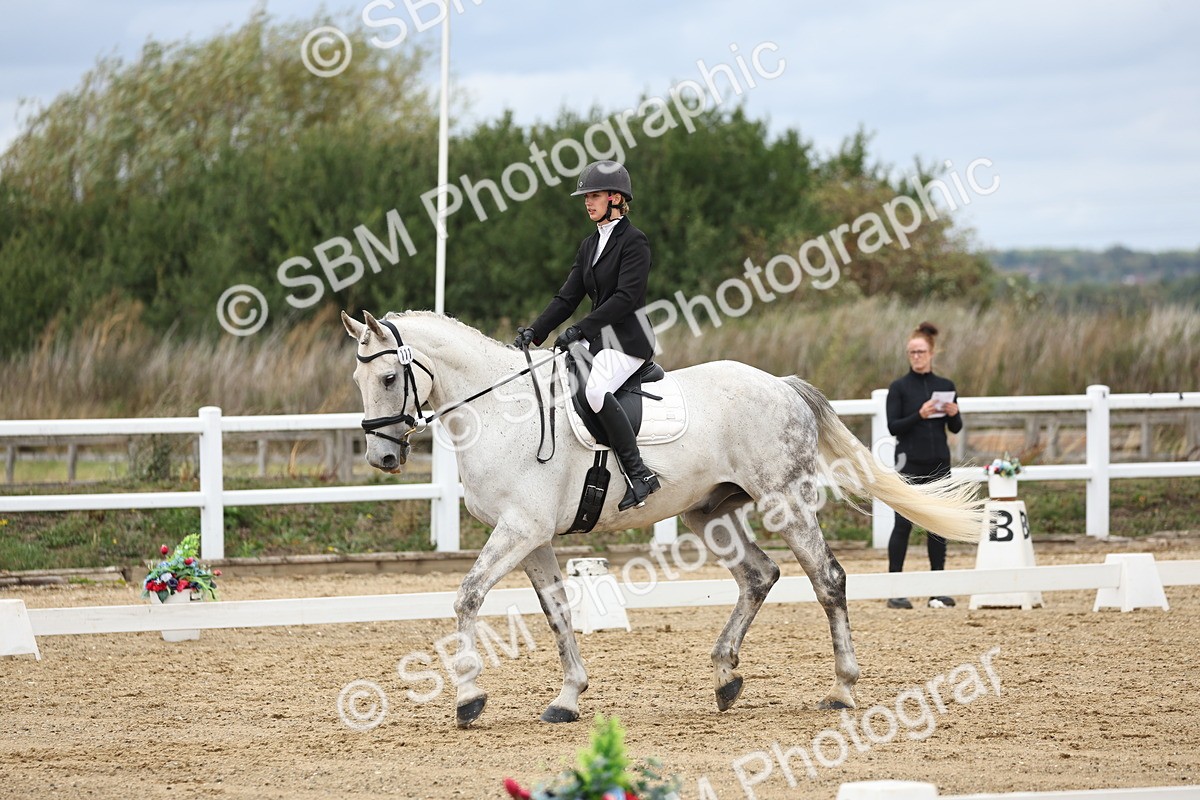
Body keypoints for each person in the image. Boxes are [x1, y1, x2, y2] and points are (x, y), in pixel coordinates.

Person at [513, 160, 661, 511]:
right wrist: (536, 330)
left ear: (615, 198)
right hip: (598, 339)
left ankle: (639, 473)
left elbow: (626, 298)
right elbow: (567, 297)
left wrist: (581, 329)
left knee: (596, 389)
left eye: (593, 195)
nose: (587, 202)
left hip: (628, 341)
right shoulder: (590, 244)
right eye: (585, 196)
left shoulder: (634, 241)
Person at [885, 321, 962, 609]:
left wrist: (953, 413)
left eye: (920, 351)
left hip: (940, 464)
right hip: (909, 465)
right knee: (902, 525)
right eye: (911, 352)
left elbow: (955, 427)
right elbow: (894, 426)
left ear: (931, 353)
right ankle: (895, 590)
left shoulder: (945, 386)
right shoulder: (899, 388)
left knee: (937, 527)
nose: (916, 356)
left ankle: (937, 590)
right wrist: (919, 413)